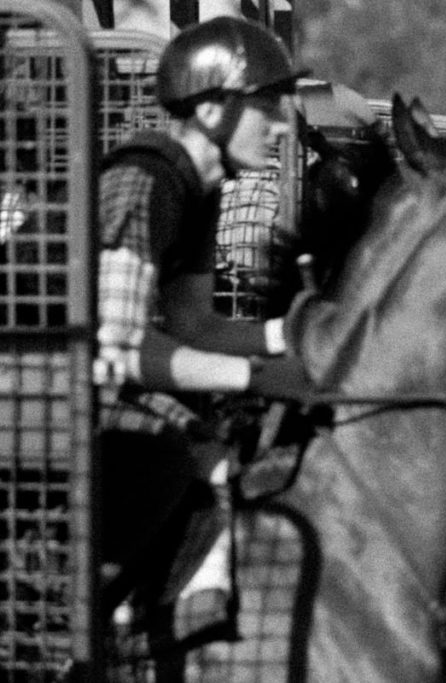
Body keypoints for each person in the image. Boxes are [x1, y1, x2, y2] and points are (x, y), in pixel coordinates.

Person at [94, 15, 316, 669]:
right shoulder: (148, 180)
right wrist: (255, 377)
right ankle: (71, 633)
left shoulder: (200, 190)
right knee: (173, 451)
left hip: (69, 374)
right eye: (267, 107)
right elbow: (118, 351)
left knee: (214, 438)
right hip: (27, 384)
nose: (281, 125)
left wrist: (292, 334)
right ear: (213, 107)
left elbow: (194, 325)